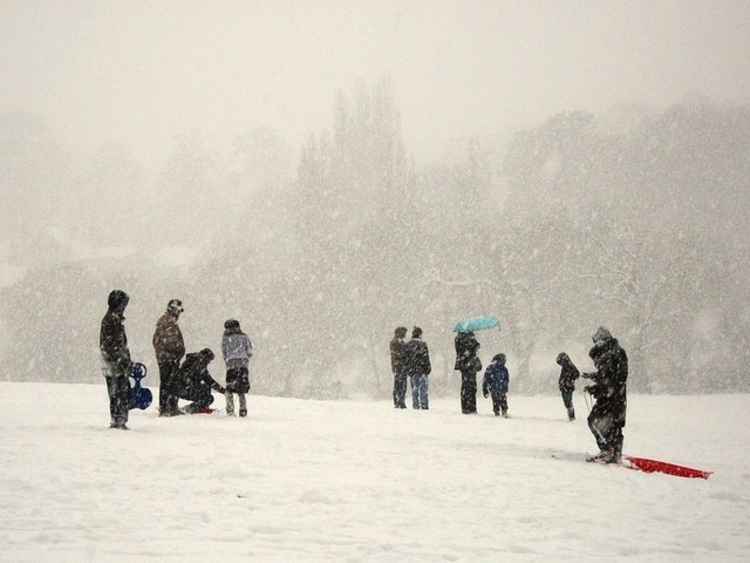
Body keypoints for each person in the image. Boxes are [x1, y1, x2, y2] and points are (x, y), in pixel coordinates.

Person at [582, 326, 628, 463]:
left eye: (596, 341)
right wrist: (594, 377)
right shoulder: (616, 352)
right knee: (615, 425)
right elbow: (611, 376)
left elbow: (609, 379)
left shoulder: (609, 355)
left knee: (595, 421)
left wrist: (596, 389)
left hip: (610, 397)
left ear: (601, 341)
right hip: (617, 397)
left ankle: (607, 451)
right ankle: (615, 453)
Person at [99, 289, 133, 429]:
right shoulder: (111, 320)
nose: (124, 307)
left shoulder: (114, 319)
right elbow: (110, 345)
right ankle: (118, 420)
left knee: (119, 391)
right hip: (113, 363)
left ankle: (119, 419)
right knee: (118, 392)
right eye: (123, 304)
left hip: (115, 362)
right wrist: (120, 358)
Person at [152, 299, 186, 416]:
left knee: (169, 382)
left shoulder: (167, 322)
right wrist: (173, 354)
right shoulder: (167, 322)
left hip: (169, 359)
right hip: (168, 359)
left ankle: (169, 407)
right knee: (168, 382)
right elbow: (165, 342)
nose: (179, 314)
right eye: (178, 311)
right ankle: (167, 408)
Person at [174, 348, 226, 414]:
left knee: (207, 391)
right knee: (208, 396)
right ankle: (193, 408)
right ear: (206, 357)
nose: (209, 362)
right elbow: (209, 381)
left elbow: (210, 381)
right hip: (183, 389)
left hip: (181, 389)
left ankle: (199, 406)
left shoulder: (196, 362)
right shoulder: (198, 363)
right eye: (209, 360)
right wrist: (195, 386)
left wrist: (223, 391)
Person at [222, 319, 253, 417]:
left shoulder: (225, 338)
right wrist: (244, 358)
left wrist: (228, 359)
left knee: (229, 388)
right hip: (243, 364)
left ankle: (230, 410)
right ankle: (243, 409)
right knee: (241, 388)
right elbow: (249, 351)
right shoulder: (244, 337)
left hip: (231, 364)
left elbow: (224, 351)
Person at [403, 326, 431, 409]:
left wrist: (408, 369)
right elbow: (426, 358)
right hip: (422, 370)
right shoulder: (423, 344)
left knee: (415, 388)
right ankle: (424, 404)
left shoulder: (408, 344)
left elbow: (406, 358)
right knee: (423, 389)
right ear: (419, 334)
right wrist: (428, 368)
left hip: (413, 370)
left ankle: (415, 404)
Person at [455, 331, 481, 414]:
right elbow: (469, 351)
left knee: (467, 386)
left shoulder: (459, 339)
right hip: (468, 365)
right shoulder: (464, 340)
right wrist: (475, 345)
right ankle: (471, 407)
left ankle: (467, 407)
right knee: (470, 387)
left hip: (466, 365)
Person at [556, 352, 580, 421]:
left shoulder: (569, 365)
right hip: (565, 386)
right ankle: (571, 416)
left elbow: (577, 374)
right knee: (567, 402)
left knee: (568, 402)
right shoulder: (565, 366)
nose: (560, 364)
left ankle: (572, 417)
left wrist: (569, 379)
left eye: (560, 362)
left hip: (567, 387)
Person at [390, 326, 408, 408]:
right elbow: (395, 354)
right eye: (404, 332)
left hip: (402, 366)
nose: (405, 334)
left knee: (403, 384)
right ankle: (398, 401)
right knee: (398, 384)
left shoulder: (403, 343)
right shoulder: (394, 342)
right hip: (398, 366)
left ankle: (401, 400)